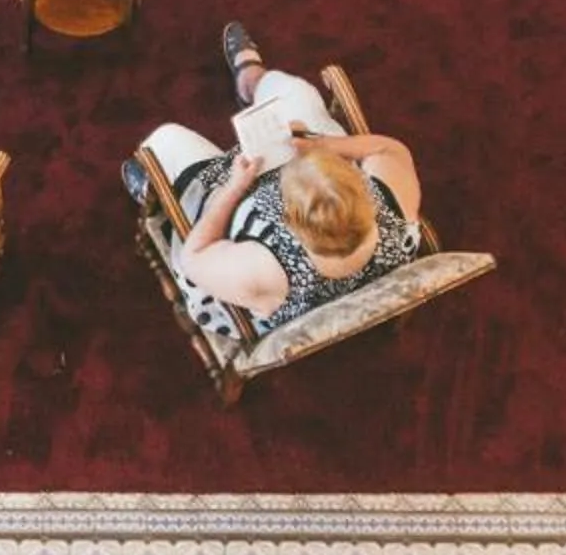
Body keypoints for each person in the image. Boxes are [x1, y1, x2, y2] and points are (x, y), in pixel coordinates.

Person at [122, 21, 423, 332]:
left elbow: (194, 259)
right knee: (298, 93)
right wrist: (325, 144)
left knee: (165, 140)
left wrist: (234, 188)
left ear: (291, 219)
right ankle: (252, 81)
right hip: (358, 270)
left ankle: (155, 190)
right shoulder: (392, 201)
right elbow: (391, 149)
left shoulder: (264, 270)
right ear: (362, 189)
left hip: (239, 226)